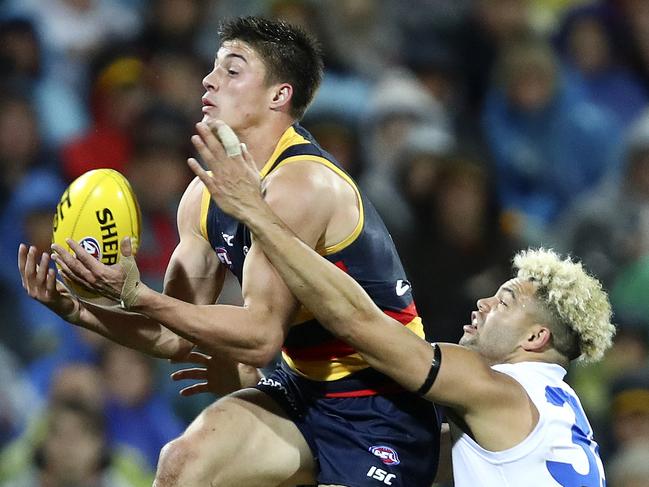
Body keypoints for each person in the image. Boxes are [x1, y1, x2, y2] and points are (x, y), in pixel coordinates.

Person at [18, 16, 439, 487]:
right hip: (301, 390)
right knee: (180, 466)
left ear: (279, 95)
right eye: (214, 68)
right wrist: (77, 310)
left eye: (232, 70)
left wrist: (138, 294)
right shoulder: (201, 196)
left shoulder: (303, 184)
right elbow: (174, 335)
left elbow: (260, 336)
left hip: (380, 403)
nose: (208, 80)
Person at [181, 120, 616, 486]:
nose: (483, 303)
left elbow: (360, 324)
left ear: (536, 336)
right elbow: (423, 463)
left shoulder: (493, 388)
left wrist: (257, 214)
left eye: (504, 301)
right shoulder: (560, 413)